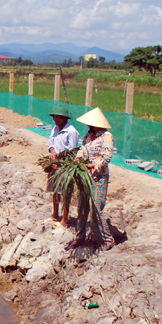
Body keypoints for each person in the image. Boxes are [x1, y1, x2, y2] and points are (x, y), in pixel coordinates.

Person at [66, 108, 115, 251]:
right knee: (82, 207)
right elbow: (82, 150)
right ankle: (79, 237)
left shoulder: (106, 136)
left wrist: (93, 165)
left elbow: (106, 157)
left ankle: (108, 239)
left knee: (96, 207)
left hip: (98, 177)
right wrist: (78, 161)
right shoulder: (89, 135)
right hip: (85, 176)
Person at [46, 104, 79, 227]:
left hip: (65, 167)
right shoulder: (55, 128)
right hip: (55, 164)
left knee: (65, 192)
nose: (55, 119)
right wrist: (52, 151)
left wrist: (60, 163)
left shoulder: (71, 132)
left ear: (64, 118)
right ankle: (55, 215)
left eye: (58, 117)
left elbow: (72, 152)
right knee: (54, 190)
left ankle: (65, 219)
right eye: (54, 117)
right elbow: (50, 142)